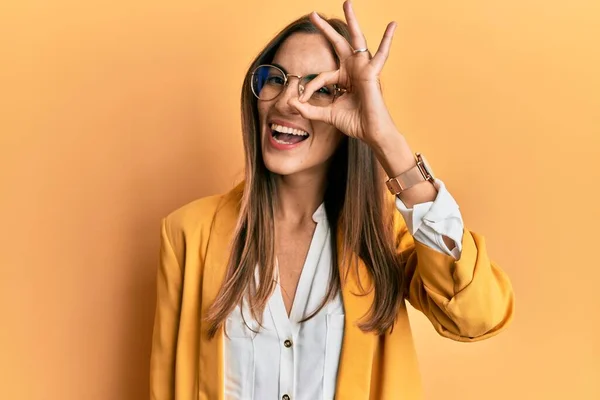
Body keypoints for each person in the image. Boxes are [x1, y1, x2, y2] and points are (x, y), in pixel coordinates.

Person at [149, 2, 514, 399]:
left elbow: (476, 317)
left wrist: (386, 140)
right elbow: (168, 386)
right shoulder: (188, 233)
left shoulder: (383, 235)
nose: (289, 101)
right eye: (277, 80)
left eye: (321, 89)